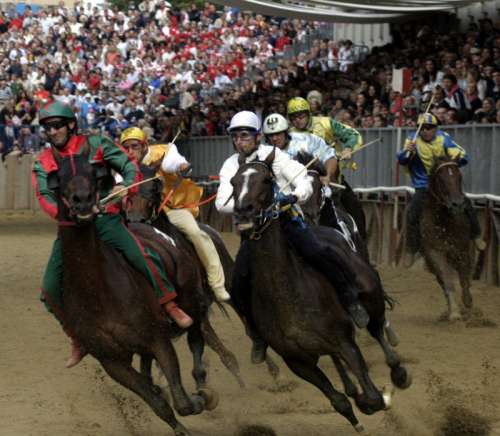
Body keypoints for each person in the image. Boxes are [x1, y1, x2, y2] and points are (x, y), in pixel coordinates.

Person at [32, 101, 193, 369]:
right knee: (48, 289)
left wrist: (126, 188)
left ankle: (170, 304)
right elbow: (45, 196)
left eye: (57, 125)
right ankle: (77, 337)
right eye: (48, 128)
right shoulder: (44, 161)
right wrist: (65, 213)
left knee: (139, 253)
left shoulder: (97, 144)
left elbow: (129, 166)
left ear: (71, 124)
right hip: (72, 229)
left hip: (106, 219)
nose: (53, 131)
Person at [216, 111, 369, 364]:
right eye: (235, 136)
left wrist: (294, 197)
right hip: (253, 231)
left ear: (256, 137)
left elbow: (304, 181)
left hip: (286, 221)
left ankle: (351, 299)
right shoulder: (231, 165)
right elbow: (222, 202)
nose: (239, 141)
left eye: (244, 136)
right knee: (239, 284)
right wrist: (253, 206)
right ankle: (258, 335)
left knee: (320, 252)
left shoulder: (274, 156)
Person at [119, 127, 230, 302]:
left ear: (145, 145)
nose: (130, 152)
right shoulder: (123, 165)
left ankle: (217, 283)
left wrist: (182, 166)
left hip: (173, 209)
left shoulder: (165, 151)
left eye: (134, 146)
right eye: (126, 148)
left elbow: (174, 163)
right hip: (140, 215)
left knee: (195, 233)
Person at [397, 113, 486, 268]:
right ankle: (411, 250)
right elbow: (401, 158)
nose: (425, 131)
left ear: (436, 128)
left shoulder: (444, 138)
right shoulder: (412, 140)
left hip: (443, 185)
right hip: (423, 186)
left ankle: (476, 234)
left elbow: (462, 155)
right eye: (422, 128)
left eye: (429, 128)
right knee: (412, 213)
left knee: (465, 202)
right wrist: (407, 151)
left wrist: (457, 156)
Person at [287, 97, 367, 240]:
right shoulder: (289, 135)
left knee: (356, 212)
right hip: (302, 186)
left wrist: (348, 148)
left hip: (333, 181)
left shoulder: (326, 123)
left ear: (308, 114)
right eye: (293, 118)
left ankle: (361, 250)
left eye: (301, 116)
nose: (297, 121)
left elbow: (352, 134)